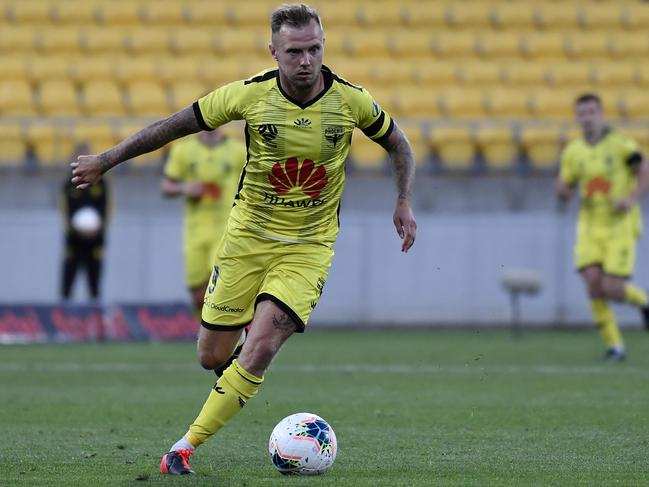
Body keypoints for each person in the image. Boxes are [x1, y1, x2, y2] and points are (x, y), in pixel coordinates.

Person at [71, 3, 417, 475]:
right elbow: (171, 127)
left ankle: (184, 447)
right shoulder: (247, 96)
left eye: (315, 49)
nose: (306, 60)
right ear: (273, 50)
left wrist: (403, 201)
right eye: (295, 51)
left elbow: (399, 142)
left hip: (309, 247)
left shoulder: (352, 101)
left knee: (263, 344)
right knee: (211, 355)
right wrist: (106, 160)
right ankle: (240, 364)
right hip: (247, 240)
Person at [556, 93, 649, 362]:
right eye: (582, 113)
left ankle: (642, 302)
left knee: (611, 288)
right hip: (589, 224)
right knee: (592, 285)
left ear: (601, 114)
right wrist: (561, 190)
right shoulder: (573, 151)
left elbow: (644, 169)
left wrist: (631, 199)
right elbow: (565, 187)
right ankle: (615, 347)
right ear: (577, 117)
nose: (587, 118)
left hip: (619, 224)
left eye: (592, 112)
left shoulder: (620, 144)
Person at [161, 129, 246, 317]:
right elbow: (166, 186)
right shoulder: (183, 151)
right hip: (195, 230)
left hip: (226, 228)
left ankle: (225, 337)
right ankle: (208, 336)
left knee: (220, 287)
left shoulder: (239, 150)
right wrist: (184, 188)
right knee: (198, 296)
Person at [61, 142, 110, 302]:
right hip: (74, 240)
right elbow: (64, 211)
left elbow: (108, 209)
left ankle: (95, 322)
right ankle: (63, 320)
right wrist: (74, 229)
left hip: (95, 240)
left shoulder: (102, 183)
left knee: (94, 285)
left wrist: (99, 229)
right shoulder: (68, 184)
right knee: (67, 284)